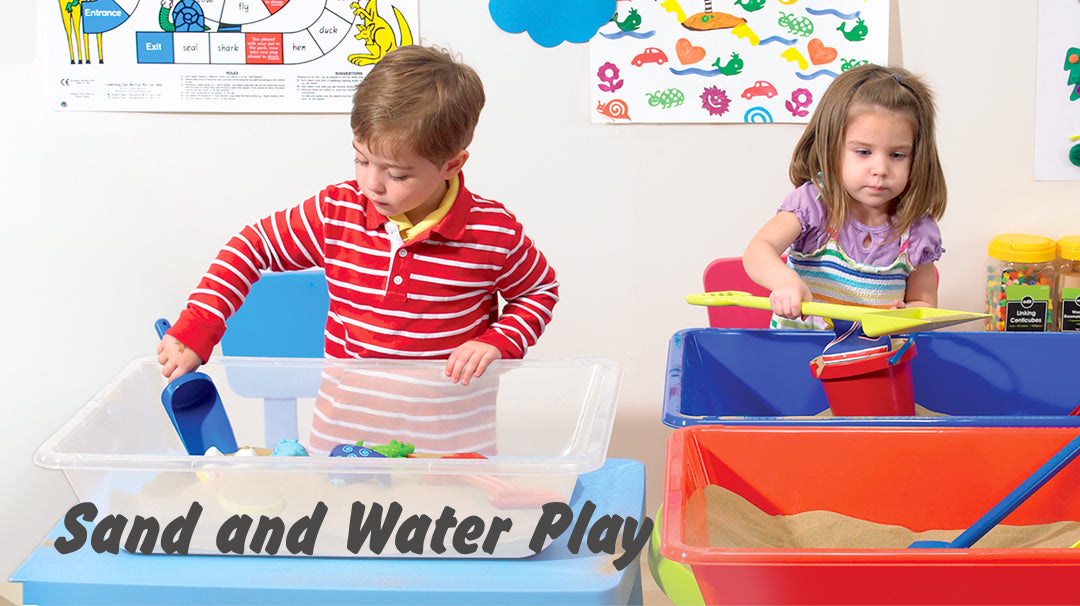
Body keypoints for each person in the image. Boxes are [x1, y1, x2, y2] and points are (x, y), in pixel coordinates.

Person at [157, 44, 559, 391]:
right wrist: (198, 327)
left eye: (397, 174)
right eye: (361, 159)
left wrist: (497, 342)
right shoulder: (337, 211)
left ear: (452, 164)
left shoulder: (492, 231)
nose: (372, 184)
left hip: (451, 436)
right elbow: (251, 247)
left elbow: (538, 291)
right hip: (346, 427)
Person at [743, 64, 946, 330]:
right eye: (863, 152)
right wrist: (784, 281)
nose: (880, 170)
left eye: (897, 155)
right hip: (799, 359)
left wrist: (909, 314)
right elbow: (758, 251)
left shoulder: (916, 231)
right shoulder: (814, 205)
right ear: (831, 147)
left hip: (874, 361)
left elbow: (923, 302)